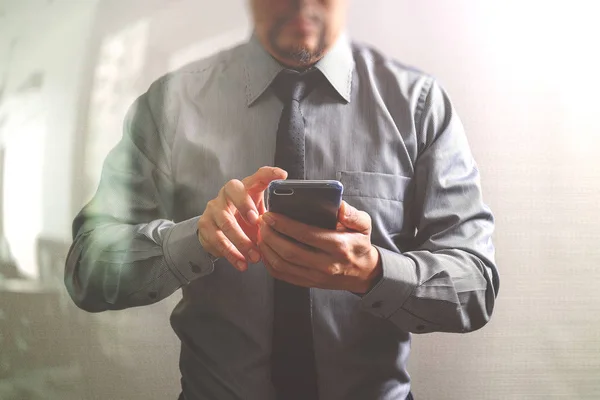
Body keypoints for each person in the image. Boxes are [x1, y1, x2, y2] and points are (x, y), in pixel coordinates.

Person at [64, 0, 500, 399]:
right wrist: (193, 239)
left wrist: (372, 271)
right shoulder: (169, 106)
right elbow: (86, 270)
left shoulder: (419, 105)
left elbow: (476, 285)